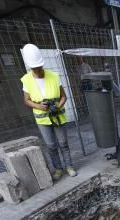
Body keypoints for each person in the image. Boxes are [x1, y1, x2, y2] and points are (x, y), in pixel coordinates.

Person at [21, 43, 76, 180]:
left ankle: (69, 166)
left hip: (57, 117)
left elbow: (64, 96)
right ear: (30, 67)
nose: (38, 71)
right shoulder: (26, 80)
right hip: (42, 119)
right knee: (51, 146)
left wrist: (59, 105)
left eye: (39, 67)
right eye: (35, 68)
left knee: (63, 143)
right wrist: (38, 106)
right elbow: (26, 100)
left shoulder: (53, 76)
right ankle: (58, 168)